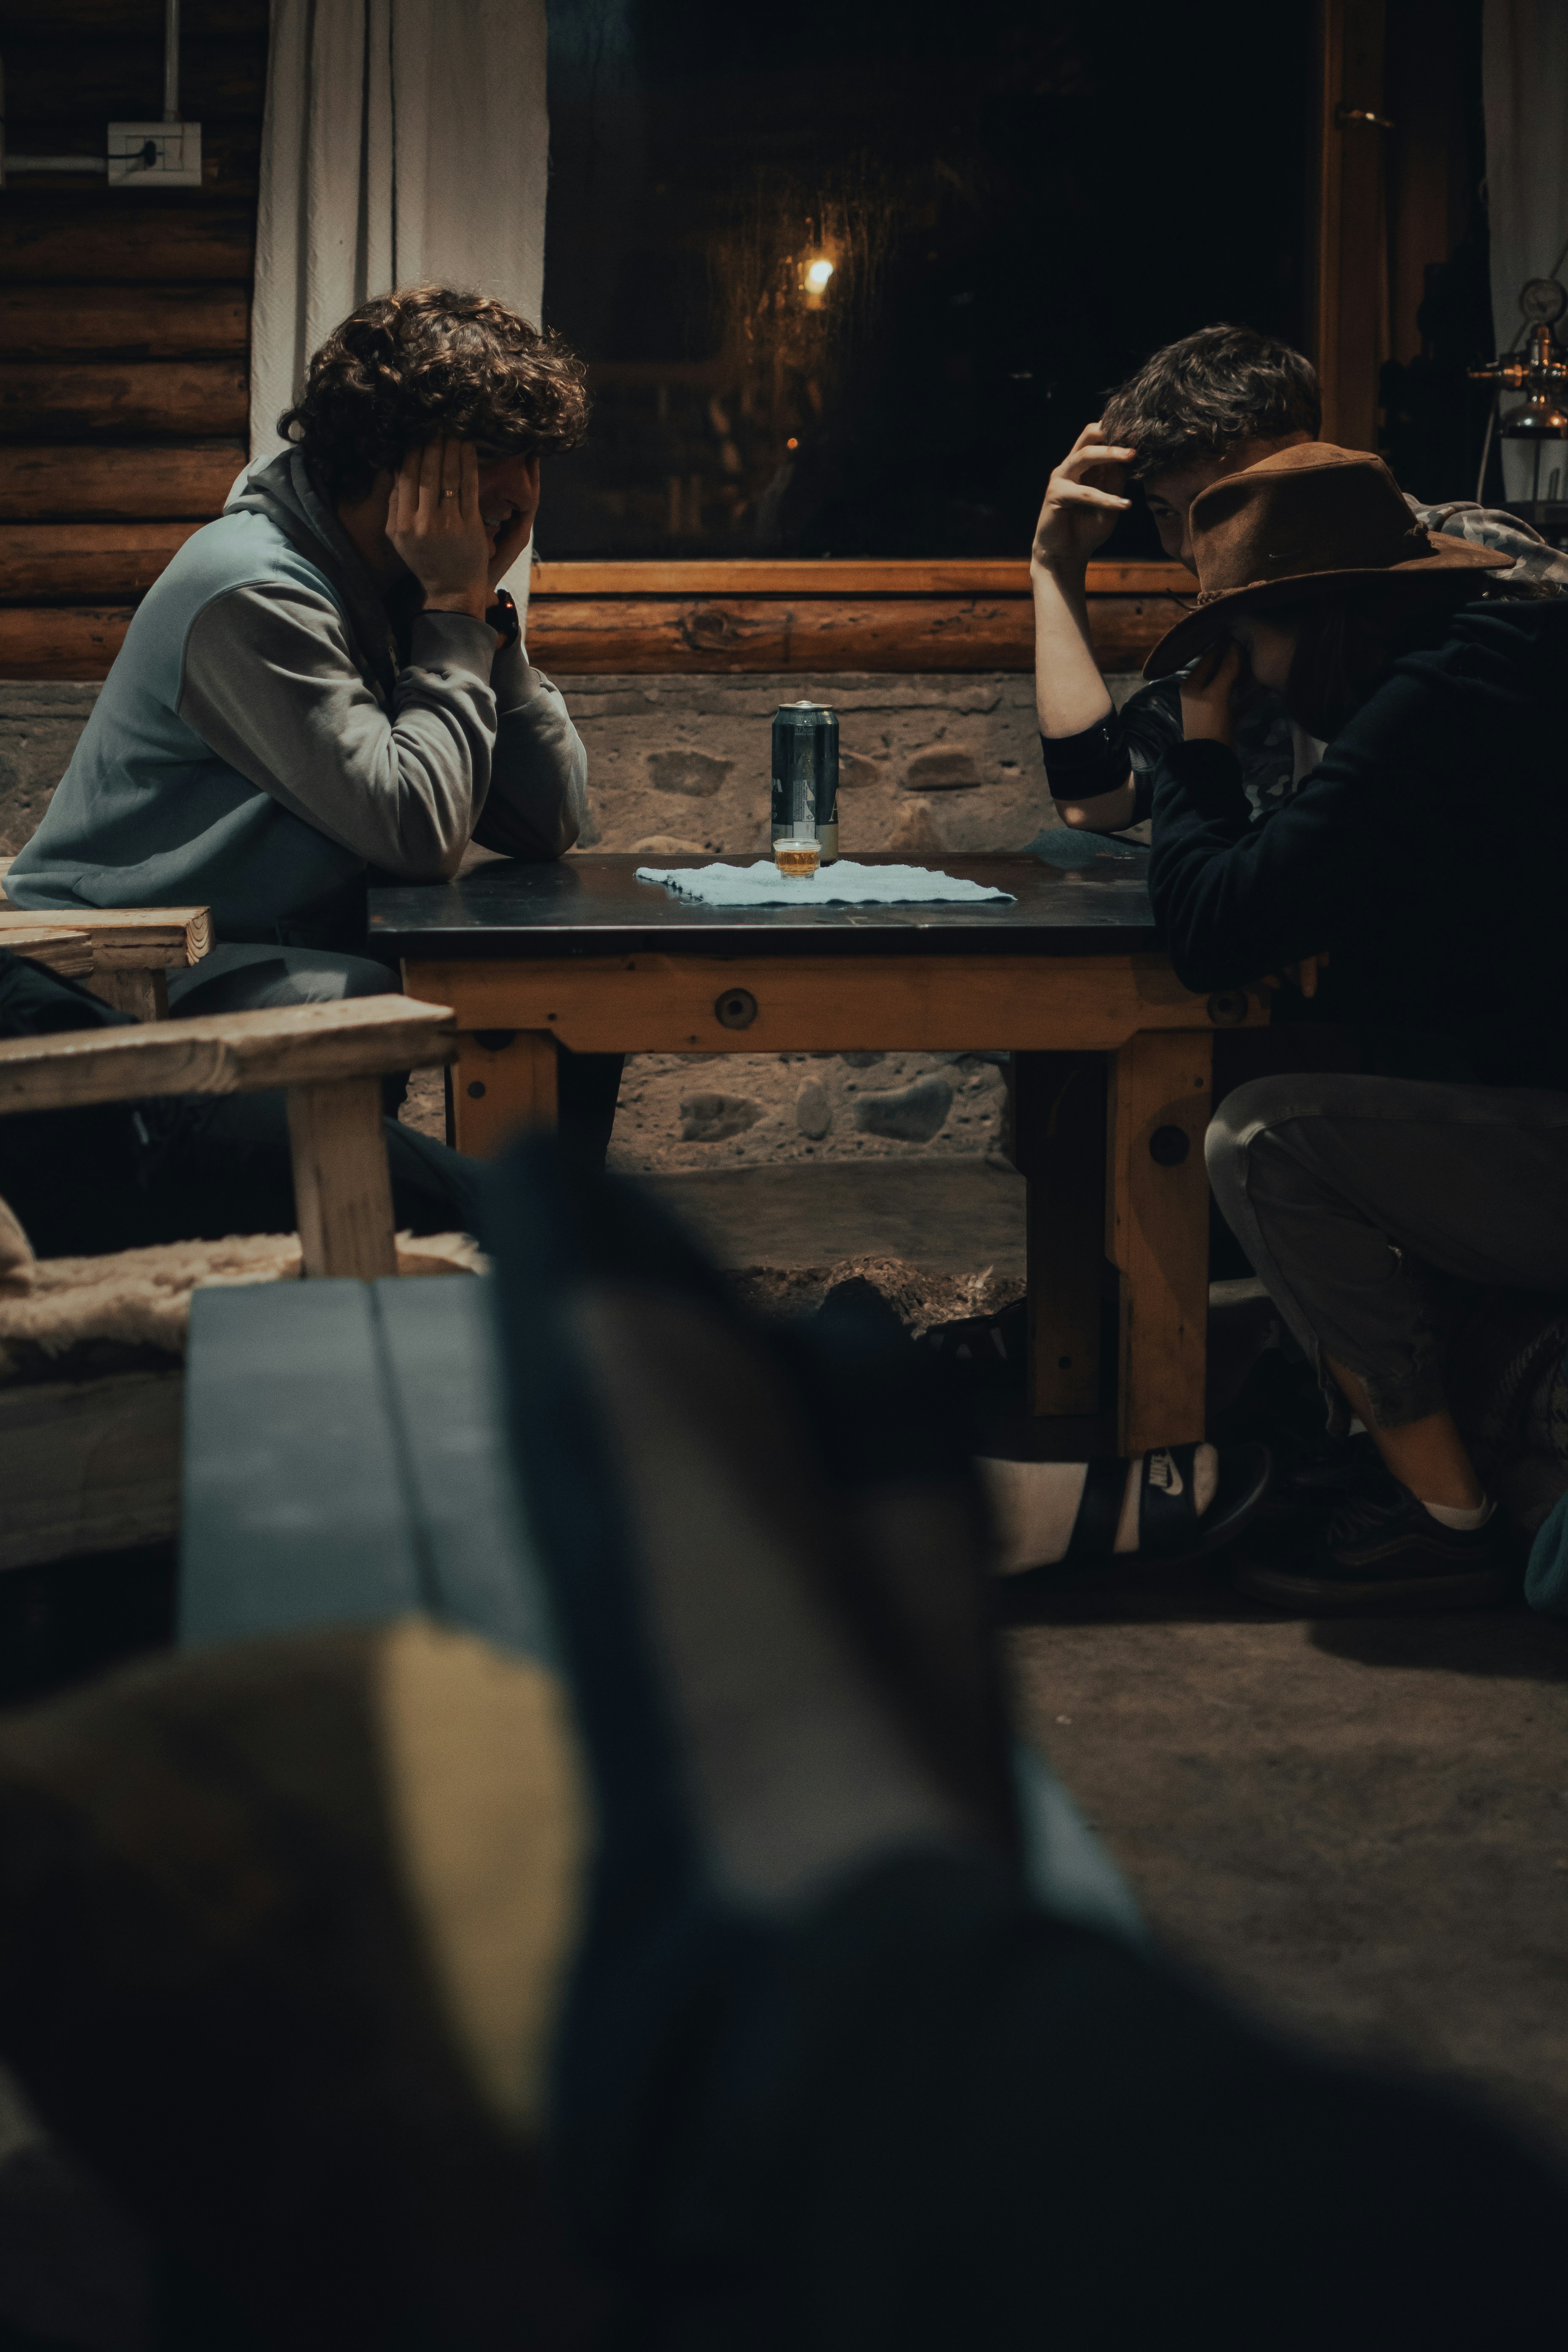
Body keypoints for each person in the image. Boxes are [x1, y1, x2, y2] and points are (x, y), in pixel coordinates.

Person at [5, 285, 623, 1166]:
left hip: (265, 943)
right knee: (374, 995)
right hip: (129, 970)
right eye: (489, 456)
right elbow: (415, 832)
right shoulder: (251, 591)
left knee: (571, 988)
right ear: (389, 459)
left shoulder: (398, 578)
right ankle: (493, 1261)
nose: (520, 492)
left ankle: (542, 1273)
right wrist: (451, 607)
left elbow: (546, 822)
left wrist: (478, 612)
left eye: (533, 461)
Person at [1141, 440, 1568, 1612]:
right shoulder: (1492, 662)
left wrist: (1199, 744)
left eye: (1251, 646)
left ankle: (1441, 1518)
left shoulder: (1440, 704)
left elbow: (1216, 927)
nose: (1256, 677)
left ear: (1316, 614)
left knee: (1261, 1137)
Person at [1029, 323, 1568, 843]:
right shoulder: (1237, 638)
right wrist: (1055, 568)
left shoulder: (1460, 552)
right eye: (1166, 513)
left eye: (1218, 506)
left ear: (1300, 454)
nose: (1193, 550)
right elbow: (1096, 801)